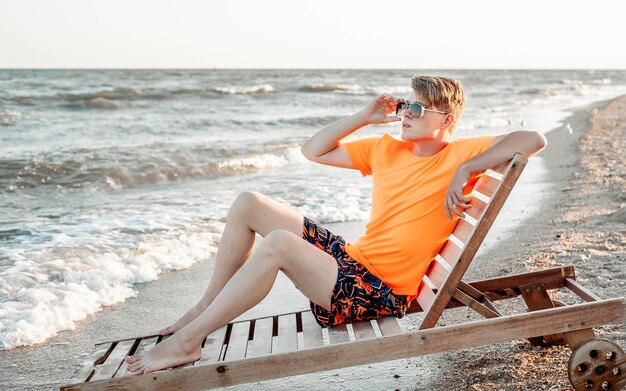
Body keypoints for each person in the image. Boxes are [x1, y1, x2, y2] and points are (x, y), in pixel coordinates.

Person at [124, 75, 547, 374]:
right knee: (248, 202)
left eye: (417, 108)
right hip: (351, 262)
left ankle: (187, 342)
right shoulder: (386, 148)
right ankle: (202, 309)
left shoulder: (460, 153)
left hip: (377, 292)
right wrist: (365, 115)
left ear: (446, 120)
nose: (405, 113)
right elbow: (313, 150)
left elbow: (533, 139)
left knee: (278, 245)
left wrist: (465, 169)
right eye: (404, 105)